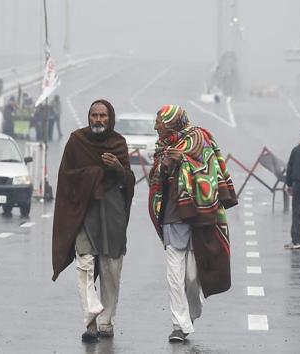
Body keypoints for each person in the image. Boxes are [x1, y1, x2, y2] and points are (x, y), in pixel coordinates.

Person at [148, 105, 237, 343]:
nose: (156, 126)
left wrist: (184, 161)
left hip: (199, 217)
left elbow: (210, 172)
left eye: (160, 122)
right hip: (172, 217)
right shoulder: (162, 147)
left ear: (173, 123)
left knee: (191, 277)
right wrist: (165, 166)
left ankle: (191, 314)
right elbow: (155, 178)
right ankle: (179, 325)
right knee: (174, 276)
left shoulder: (200, 139)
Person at [51, 99, 136, 343]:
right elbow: (66, 176)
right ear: (89, 117)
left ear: (110, 118)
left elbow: (128, 181)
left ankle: (106, 321)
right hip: (84, 209)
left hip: (111, 210)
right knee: (85, 263)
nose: (98, 120)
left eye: (103, 116)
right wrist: (95, 172)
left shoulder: (118, 143)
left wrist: (118, 168)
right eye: (94, 115)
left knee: (111, 267)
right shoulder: (77, 141)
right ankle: (91, 320)